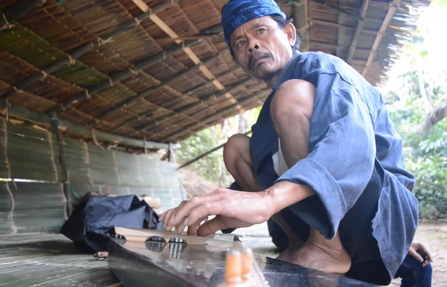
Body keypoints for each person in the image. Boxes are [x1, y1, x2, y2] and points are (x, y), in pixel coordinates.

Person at [159, 0, 420, 285]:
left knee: (290, 95)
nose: (252, 46)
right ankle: (301, 243)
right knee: (236, 146)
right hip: (312, 223)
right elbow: (267, 172)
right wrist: (213, 205)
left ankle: (325, 247)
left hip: (379, 214)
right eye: (240, 43)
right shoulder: (271, 113)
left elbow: (351, 150)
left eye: (261, 31)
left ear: (290, 35)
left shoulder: (324, 70)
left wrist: (266, 200)